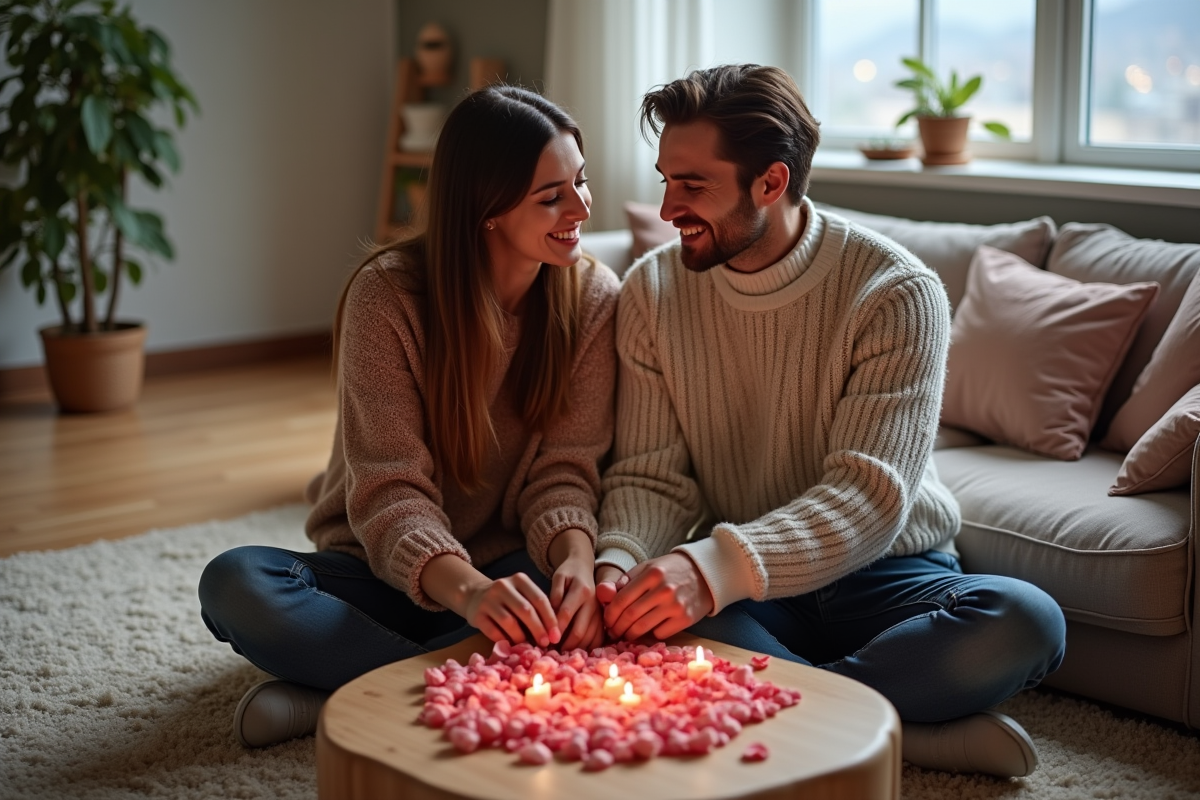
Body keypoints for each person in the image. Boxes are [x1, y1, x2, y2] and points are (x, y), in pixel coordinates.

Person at [592, 64, 1066, 779]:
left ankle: (790, 711)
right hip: (748, 591)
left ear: (771, 184)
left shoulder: (896, 291)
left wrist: (715, 565)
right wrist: (619, 567)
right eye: (665, 179)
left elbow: (868, 497)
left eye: (692, 185)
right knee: (654, 632)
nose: (667, 209)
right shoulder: (652, 290)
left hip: (889, 572)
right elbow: (652, 476)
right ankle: (913, 732)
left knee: (1027, 621)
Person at [198, 85, 619, 748]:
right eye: (551, 196)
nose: (581, 208)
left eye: (581, 182)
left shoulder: (593, 298)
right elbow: (390, 489)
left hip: (512, 571)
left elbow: (565, 472)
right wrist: (470, 596)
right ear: (486, 210)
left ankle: (340, 694)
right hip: (386, 566)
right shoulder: (387, 295)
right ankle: (467, 680)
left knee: (571, 595)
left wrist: (574, 561)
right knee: (236, 583)